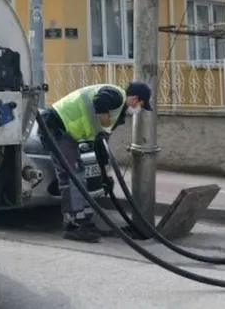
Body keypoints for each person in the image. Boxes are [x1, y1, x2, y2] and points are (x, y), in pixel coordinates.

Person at [39, 81, 153, 242]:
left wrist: (105, 174)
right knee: (73, 176)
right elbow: (100, 101)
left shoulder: (118, 114)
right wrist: (103, 118)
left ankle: (84, 221)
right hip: (55, 125)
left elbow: (101, 144)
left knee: (79, 175)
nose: (139, 108)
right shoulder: (116, 96)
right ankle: (73, 225)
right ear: (135, 99)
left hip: (64, 132)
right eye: (141, 104)